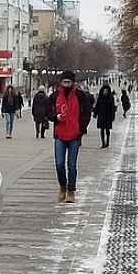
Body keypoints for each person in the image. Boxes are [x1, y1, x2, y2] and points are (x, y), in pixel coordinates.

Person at [47, 70, 93, 203]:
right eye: (64, 82)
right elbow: (48, 111)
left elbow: (87, 112)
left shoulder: (79, 95)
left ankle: (71, 190)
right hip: (60, 134)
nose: (66, 84)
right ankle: (62, 186)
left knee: (72, 164)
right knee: (59, 163)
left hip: (74, 135)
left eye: (69, 82)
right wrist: (55, 117)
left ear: (73, 82)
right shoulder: (55, 95)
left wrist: (81, 127)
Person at [92, 83, 117, 148]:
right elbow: (97, 106)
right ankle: (103, 143)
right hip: (101, 116)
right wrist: (95, 113)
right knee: (102, 129)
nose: (105, 92)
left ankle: (107, 142)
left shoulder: (111, 98)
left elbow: (113, 107)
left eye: (106, 91)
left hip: (108, 116)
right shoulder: (100, 98)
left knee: (108, 130)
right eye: (104, 91)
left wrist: (113, 116)